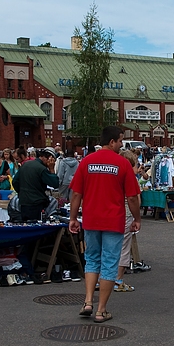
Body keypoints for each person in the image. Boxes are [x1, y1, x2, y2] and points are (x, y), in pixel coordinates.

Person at [68, 126, 142, 323]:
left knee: (92, 259)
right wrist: (137, 219)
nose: (121, 144)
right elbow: (132, 197)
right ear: (111, 142)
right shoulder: (122, 164)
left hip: (91, 219)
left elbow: (76, 193)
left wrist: (73, 218)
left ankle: (88, 301)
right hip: (113, 220)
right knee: (109, 263)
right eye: (119, 141)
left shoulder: (86, 162)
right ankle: (101, 310)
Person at [113, 150, 142, 293]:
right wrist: (138, 218)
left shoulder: (113, 176)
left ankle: (103, 278)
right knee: (124, 248)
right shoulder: (131, 177)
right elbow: (135, 199)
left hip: (111, 214)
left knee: (109, 248)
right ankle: (118, 280)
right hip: (126, 214)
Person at [12, 147, 60, 222]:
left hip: (24, 202)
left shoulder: (25, 165)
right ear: (49, 158)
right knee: (35, 226)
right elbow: (55, 184)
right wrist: (51, 169)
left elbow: (15, 181)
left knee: (25, 225)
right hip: (36, 203)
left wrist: (22, 193)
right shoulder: (42, 169)